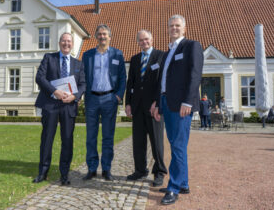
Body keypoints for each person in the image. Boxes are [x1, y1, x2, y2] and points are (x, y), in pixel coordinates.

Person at [153, 15, 203, 205]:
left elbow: (195, 74)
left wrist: (188, 102)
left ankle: (173, 188)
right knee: (175, 144)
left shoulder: (191, 46)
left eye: (177, 25)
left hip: (182, 105)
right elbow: (162, 82)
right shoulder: (167, 53)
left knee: (178, 145)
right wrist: (158, 104)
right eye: (171, 25)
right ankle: (183, 183)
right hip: (166, 102)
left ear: (184, 28)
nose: (174, 28)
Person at [33, 33, 86, 185]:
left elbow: (83, 84)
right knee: (47, 139)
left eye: (69, 41)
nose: (66, 43)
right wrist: (54, 91)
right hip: (50, 104)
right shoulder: (49, 58)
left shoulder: (78, 64)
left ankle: (64, 174)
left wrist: (75, 97)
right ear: (59, 42)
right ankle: (43, 172)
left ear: (72, 44)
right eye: (64, 41)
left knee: (67, 141)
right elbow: (40, 78)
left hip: (68, 106)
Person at [82, 24, 126, 181]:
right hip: (92, 99)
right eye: (99, 34)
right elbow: (82, 77)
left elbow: (122, 77)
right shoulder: (87, 55)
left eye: (105, 34)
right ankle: (92, 168)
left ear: (110, 36)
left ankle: (106, 169)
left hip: (110, 99)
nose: (102, 37)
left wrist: (118, 96)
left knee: (108, 136)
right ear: (96, 36)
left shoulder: (117, 54)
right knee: (91, 136)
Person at [125, 30, 167, 186]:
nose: (144, 42)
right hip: (137, 107)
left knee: (156, 141)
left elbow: (162, 82)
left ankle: (159, 172)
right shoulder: (135, 59)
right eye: (141, 40)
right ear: (138, 42)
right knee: (138, 142)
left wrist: (158, 102)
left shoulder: (161, 56)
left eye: (146, 39)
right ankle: (140, 170)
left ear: (152, 39)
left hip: (153, 107)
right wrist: (128, 103)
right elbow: (131, 82)